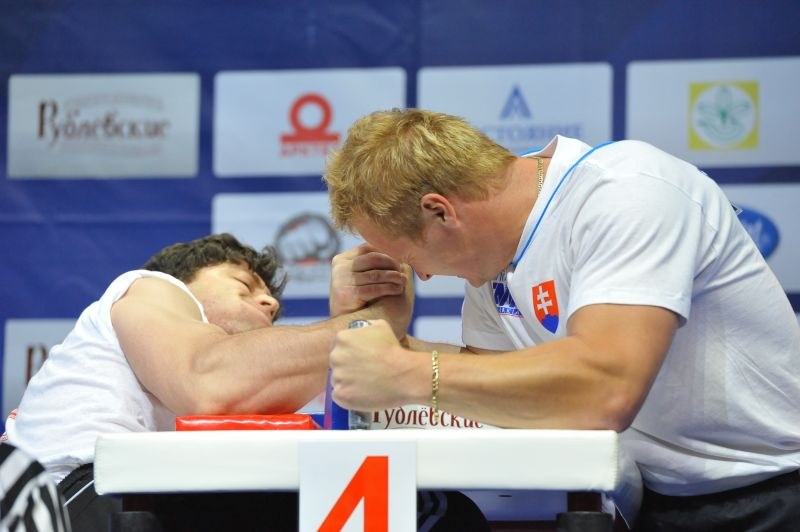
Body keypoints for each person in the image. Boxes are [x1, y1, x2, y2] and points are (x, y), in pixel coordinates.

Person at [323, 108, 800, 531]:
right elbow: (497, 385)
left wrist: (404, 370)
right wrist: (377, 336)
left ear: (439, 212)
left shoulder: (627, 190)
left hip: (775, 493)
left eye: (409, 256)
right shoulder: (494, 262)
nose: (422, 274)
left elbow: (605, 388)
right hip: (657, 501)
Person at [2, 233, 414, 531]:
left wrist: (352, 319)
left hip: (122, 493)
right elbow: (209, 384)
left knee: (404, 506)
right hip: (61, 501)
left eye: (270, 303)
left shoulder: (248, 377)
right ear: (185, 285)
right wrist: (375, 320)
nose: (269, 303)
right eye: (244, 286)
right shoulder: (151, 288)